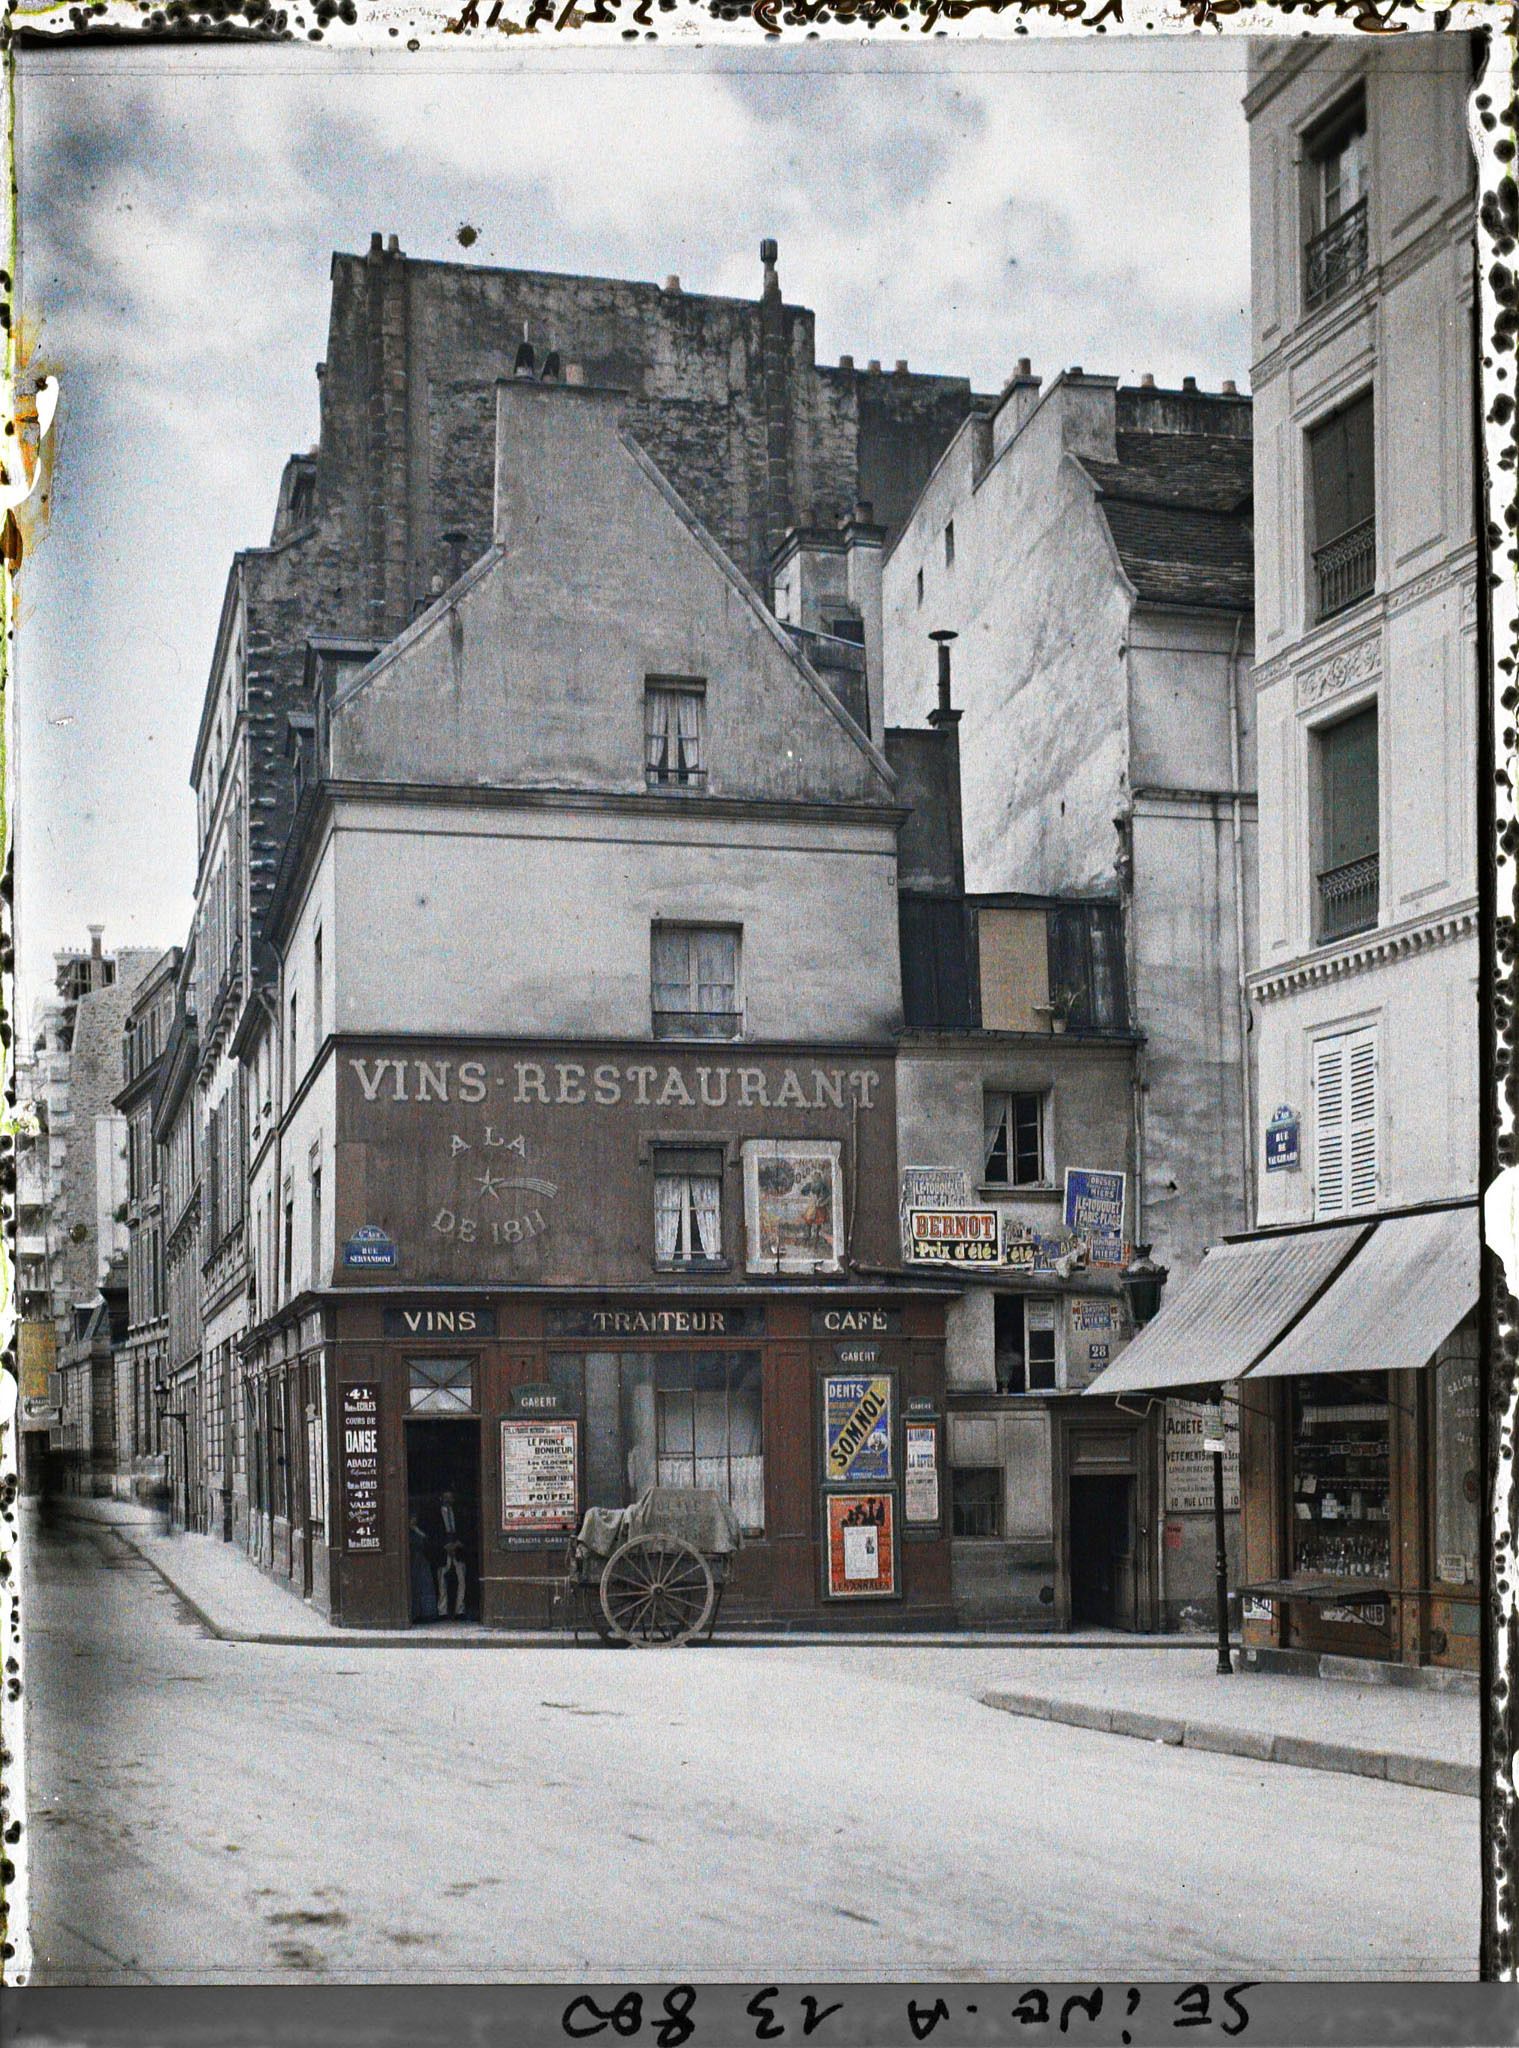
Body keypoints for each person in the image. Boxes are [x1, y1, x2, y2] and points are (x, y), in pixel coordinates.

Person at [434, 1488, 468, 1619]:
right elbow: (433, 1531)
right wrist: (444, 1545)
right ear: (441, 1498)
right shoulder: (435, 1514)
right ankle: (442, 1611)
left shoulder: (459, 1513)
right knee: (441, 1581)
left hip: (458, 1549)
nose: (448, 1500)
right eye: (445, 1497)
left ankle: (460, 1610)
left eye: (450, 1497)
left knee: (462, 1580)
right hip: (443, 1550)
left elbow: (465, 1528)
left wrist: (458, 1543)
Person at [409, 1509, 439, 1622]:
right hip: (412, 1562)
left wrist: (418, 1531)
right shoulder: (406, 1532)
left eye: (415, 1518)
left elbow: (426, 1541)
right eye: (412, 1517)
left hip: (421, 1561)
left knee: (424, 1586)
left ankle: (426, 1613)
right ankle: (415, 1613)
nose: (414, 1520)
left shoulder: (418, 1530)